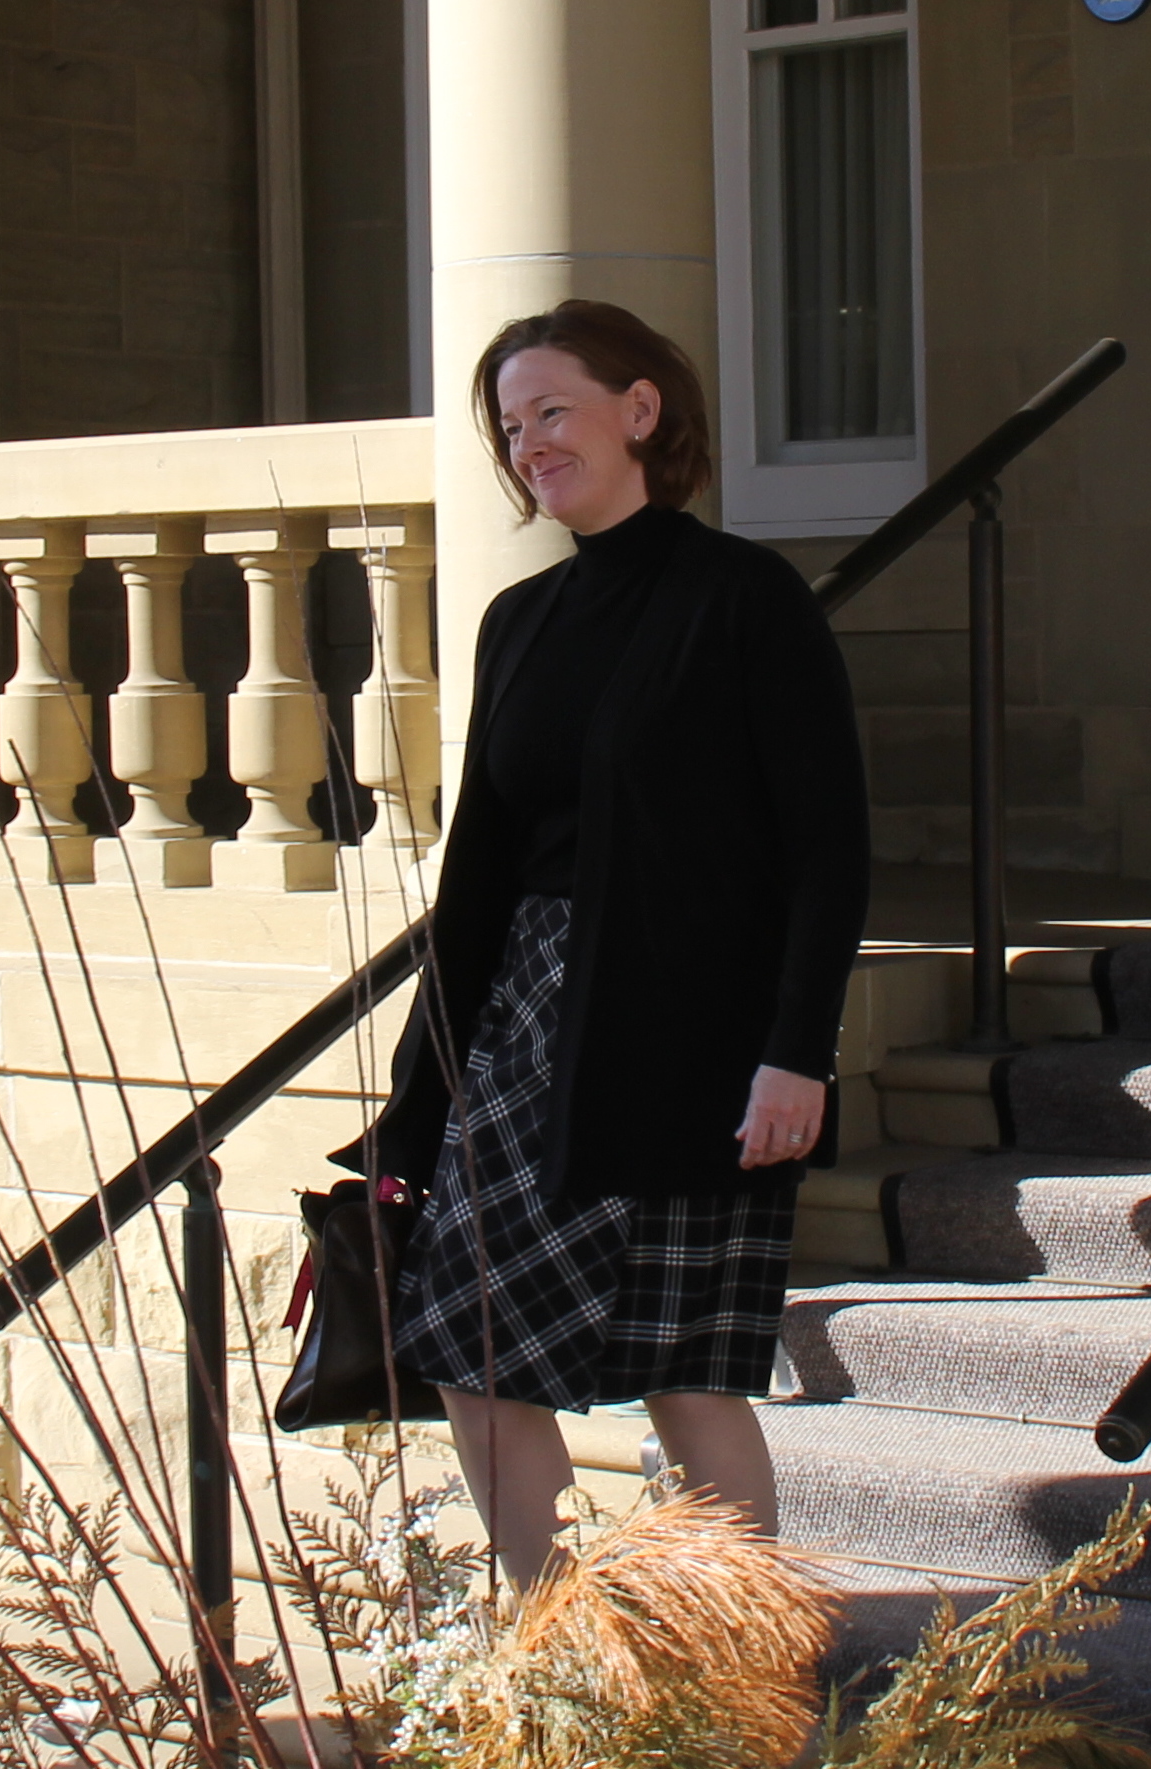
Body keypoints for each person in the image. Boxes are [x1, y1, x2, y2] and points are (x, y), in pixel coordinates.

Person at [343, 300, 871, 1589]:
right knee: (468, 1349)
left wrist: (798, 1053)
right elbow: (476, 878)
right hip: (527, 1038)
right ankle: (554, 1654)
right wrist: (416, 1112)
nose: (529, 445)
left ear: (641, 412)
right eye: (511, 427)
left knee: (683, 1381)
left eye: (553, 412)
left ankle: (738, 1683)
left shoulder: (747, 599)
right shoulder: (518, 622)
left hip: (691, 1037)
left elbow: (829, 847)